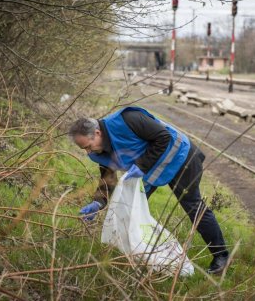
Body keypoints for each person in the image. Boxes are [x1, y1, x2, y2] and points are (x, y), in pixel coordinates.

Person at [69, 106, 229, 274]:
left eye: (88, 146)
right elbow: (108, 177)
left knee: (193, 206)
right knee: (130, 209)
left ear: (97, 133)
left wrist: (140, 166)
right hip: (153, 169)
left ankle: (221, 256)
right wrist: (98, 201)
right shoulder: (99, 150)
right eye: (84, 149)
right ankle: (142, 254)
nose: (88, 151)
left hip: (181, 157)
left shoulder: (129, 119)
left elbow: (163, 137)